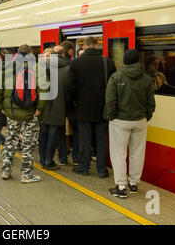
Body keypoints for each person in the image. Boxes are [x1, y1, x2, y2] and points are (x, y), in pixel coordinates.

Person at [0, 44, 47, 183]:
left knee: (11, 140)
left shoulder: (6, 67)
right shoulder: (37, 67)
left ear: (17, 53)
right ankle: (26, 175)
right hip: (31, 113)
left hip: (11, 113)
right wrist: (39, 109)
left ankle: (5, 170)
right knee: (28, 143)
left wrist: (1, 107)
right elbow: (44, 90)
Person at [106, 49, 156, 198]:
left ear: (125, 61)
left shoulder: (116, 77)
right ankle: (134, 183)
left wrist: (111, 117)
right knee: (137, 152)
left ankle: (121, 187)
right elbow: (151, 102)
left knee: (119, 153)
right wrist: (147, 116)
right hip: (140, 121)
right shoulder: (146, 78)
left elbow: (110, 100)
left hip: (120, 121)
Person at [67, 36, 116, 178]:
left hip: (83, 108)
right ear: (96, 46)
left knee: (85, 138)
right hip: (103, 108)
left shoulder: (76, 63)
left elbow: (71, 87)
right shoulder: (108, 62)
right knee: (101, 139)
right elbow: (113, 87)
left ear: (84, 47)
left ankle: (83, 167)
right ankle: (102, 170)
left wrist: (73, 103)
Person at [38, 46, 69, 170]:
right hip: (59, 107)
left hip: (43, 107)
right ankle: (48, 161)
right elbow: (70, 90)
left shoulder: (40, 69)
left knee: (43, 135)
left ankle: (43, 161)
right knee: (52, 136)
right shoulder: (67, 69)